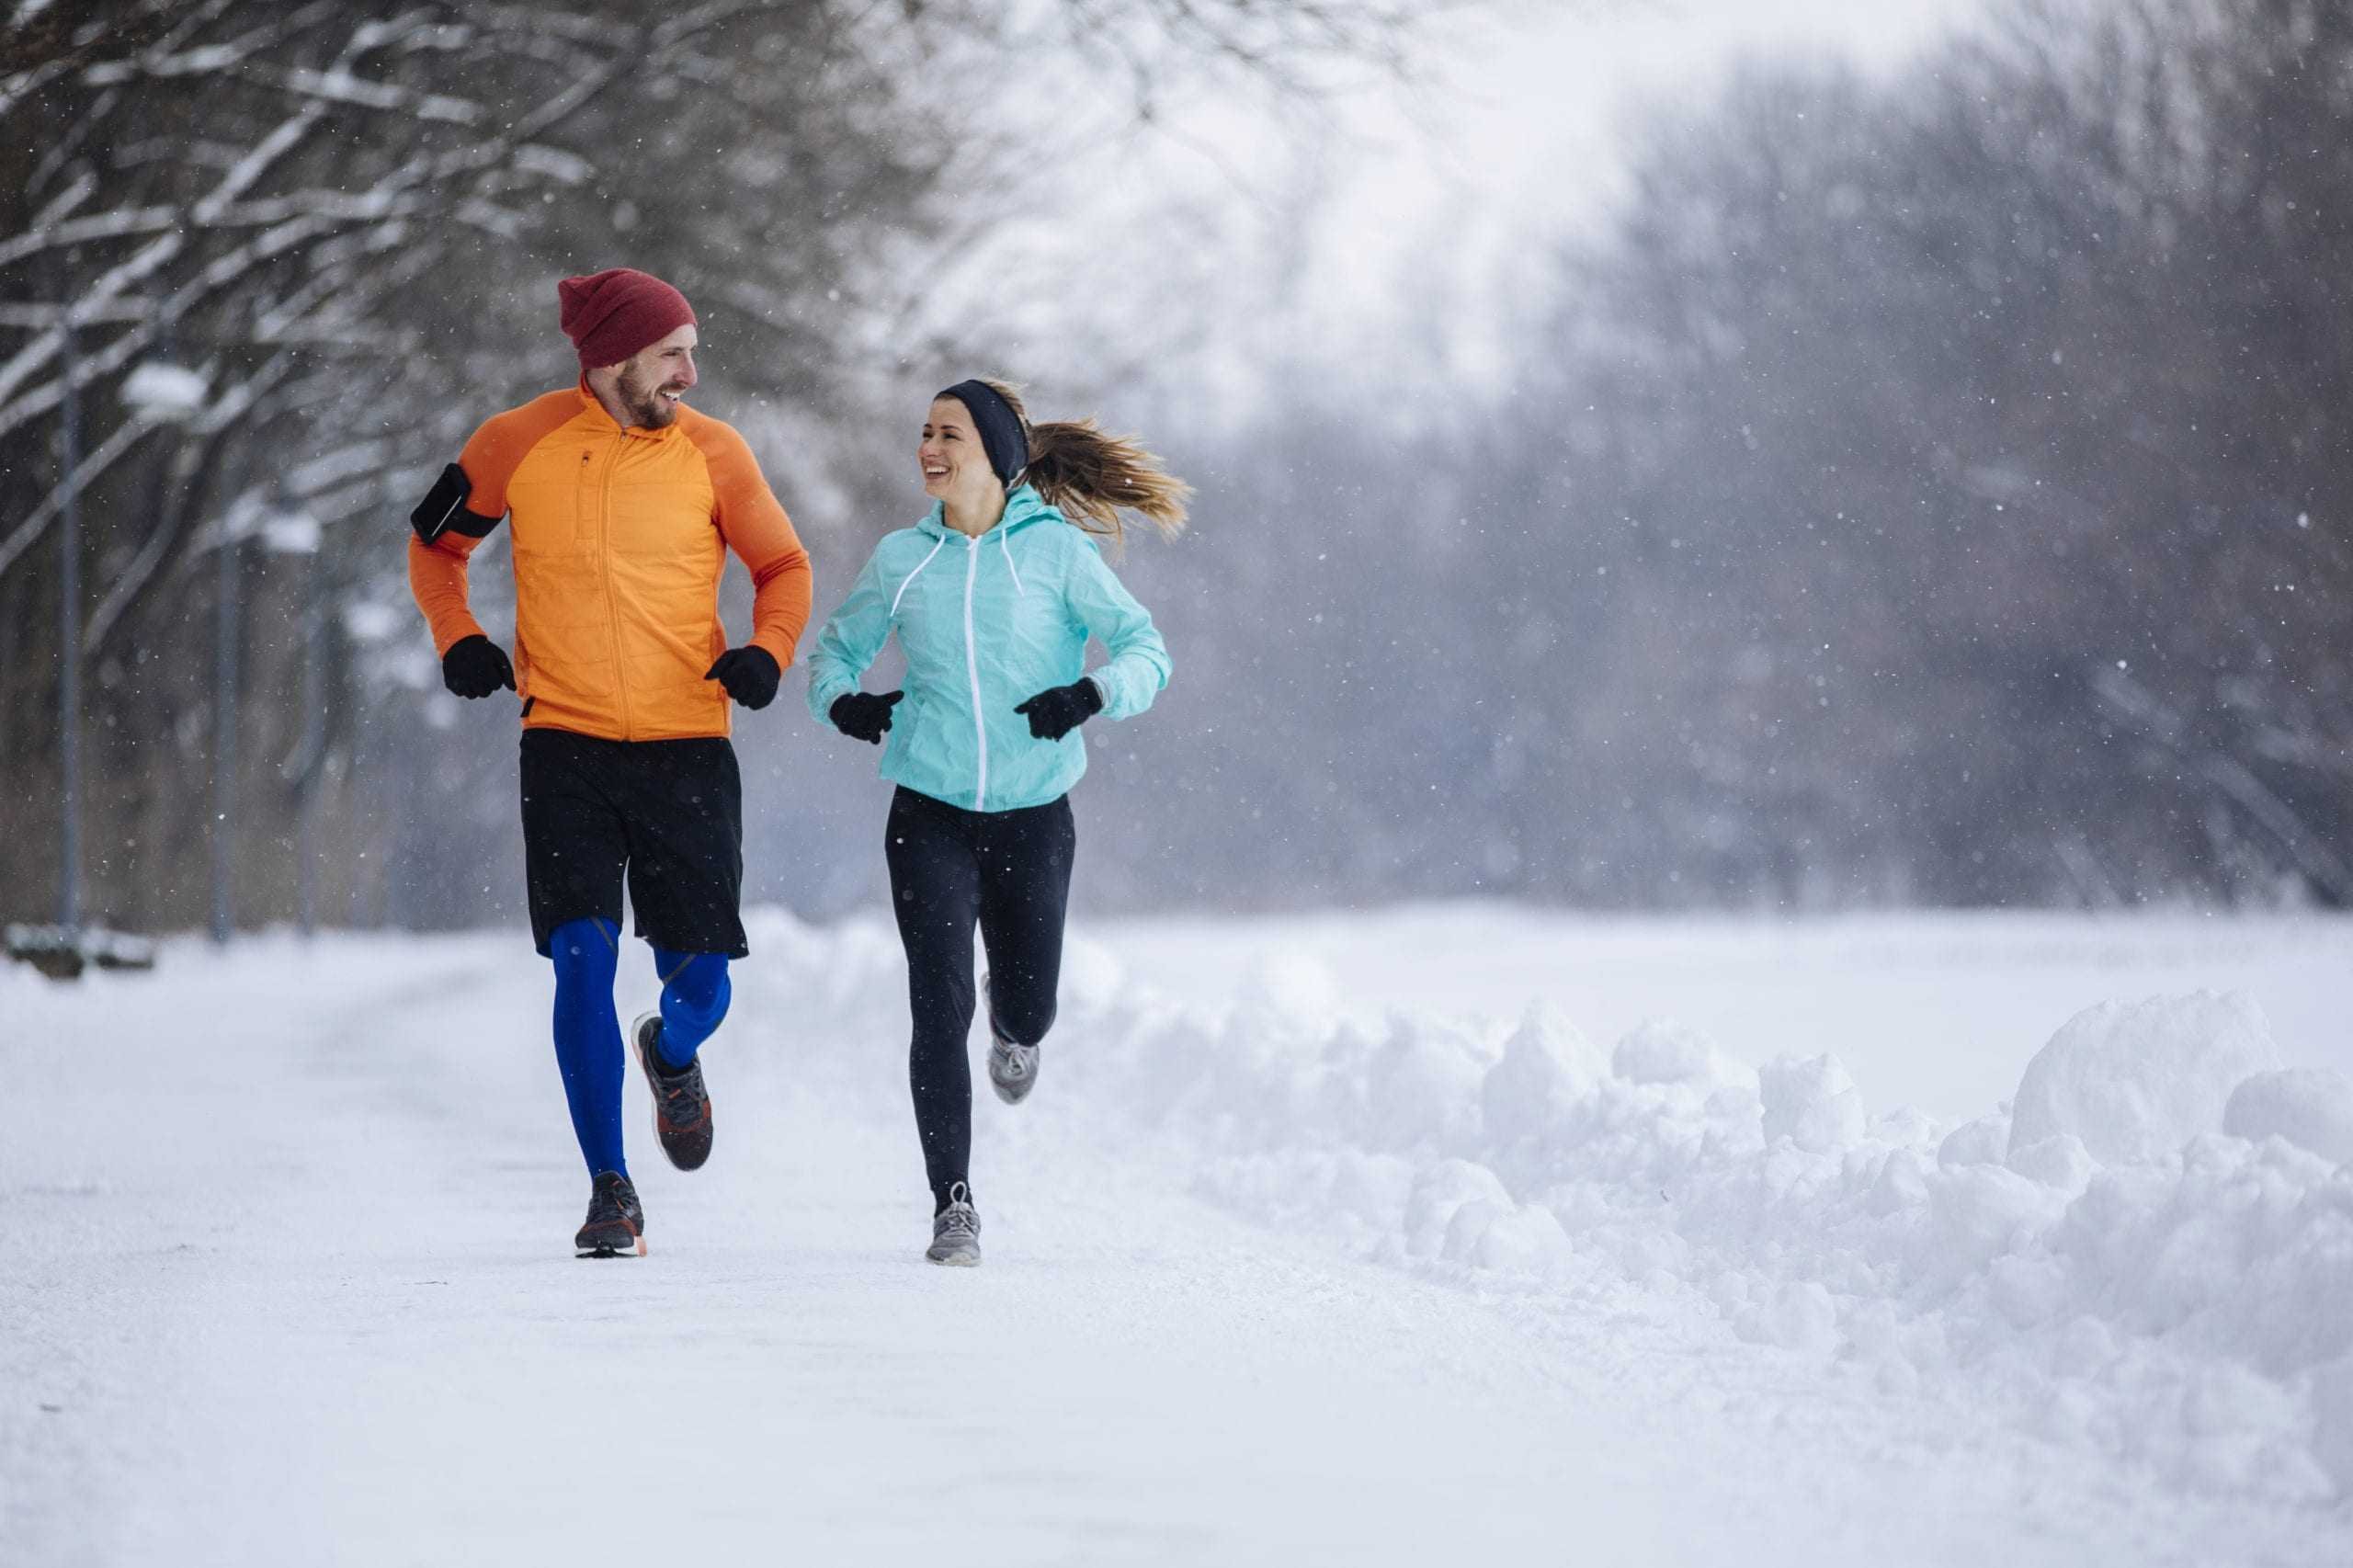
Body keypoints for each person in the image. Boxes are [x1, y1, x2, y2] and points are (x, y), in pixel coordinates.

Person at [408, 267, 812, 1257]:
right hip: (566, 742)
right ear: (613, 356)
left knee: (702, 985)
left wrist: (766, 652)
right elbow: (433, 546)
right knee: (581, 959)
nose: (690, 369)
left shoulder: (716, 452)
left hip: (687, 747)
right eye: (673, 350)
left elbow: (783, 567)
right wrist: (456, 635)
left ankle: (670, 1054)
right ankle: (610, 1187)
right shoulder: (516, 442)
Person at [805, 378, 1180, 1266]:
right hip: (927, 812)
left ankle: (1018, 1037)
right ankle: (953, 1203)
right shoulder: (904, 559)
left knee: (1026, 1003)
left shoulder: (1056, 555)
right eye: (925, 434)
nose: (929, 449)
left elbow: (1147, 651)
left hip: (1032, 816)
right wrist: (845, 706)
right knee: (939, 1007)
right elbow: (834, 654)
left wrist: (1090, 693)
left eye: (950, 435)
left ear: (999, 457)